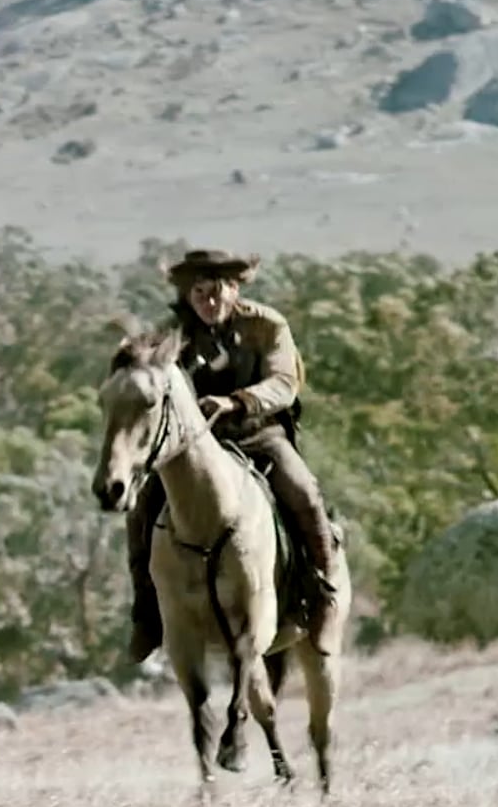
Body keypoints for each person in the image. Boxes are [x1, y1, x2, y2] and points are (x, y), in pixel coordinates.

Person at [123, 249, 340, 665]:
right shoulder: (171, 334)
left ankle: (322, 596)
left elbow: (284, 383)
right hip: (191, 449)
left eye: (217, 291)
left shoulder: (268, 325)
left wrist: (237, 402)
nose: (208, 301)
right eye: (199, 292)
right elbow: (143, 370)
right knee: (141, 507)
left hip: (259, 434)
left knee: (304, 493)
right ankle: (146, 611)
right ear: (188, 295)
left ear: (235, 290)